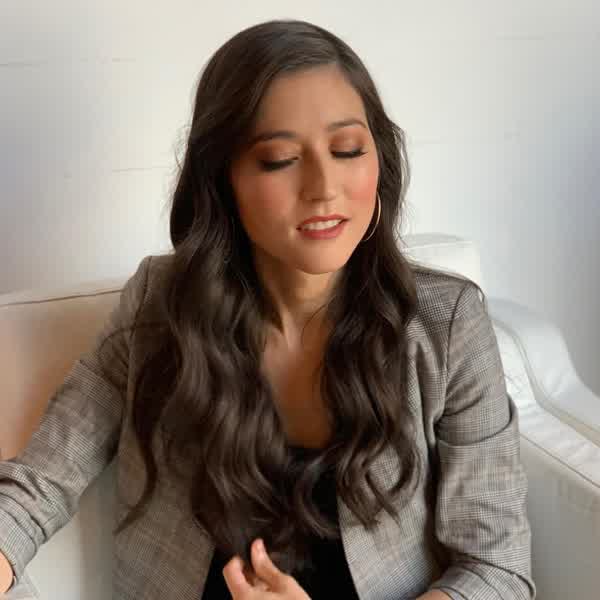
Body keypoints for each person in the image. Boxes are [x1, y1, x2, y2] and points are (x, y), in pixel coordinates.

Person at [0, 19, 535, 600]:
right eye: (280, 159)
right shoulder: (161, 303)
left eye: (348, 149)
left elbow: (497, 568)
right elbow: (39, 483)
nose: (323, 186)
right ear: (223, 179)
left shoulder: (447, 326)